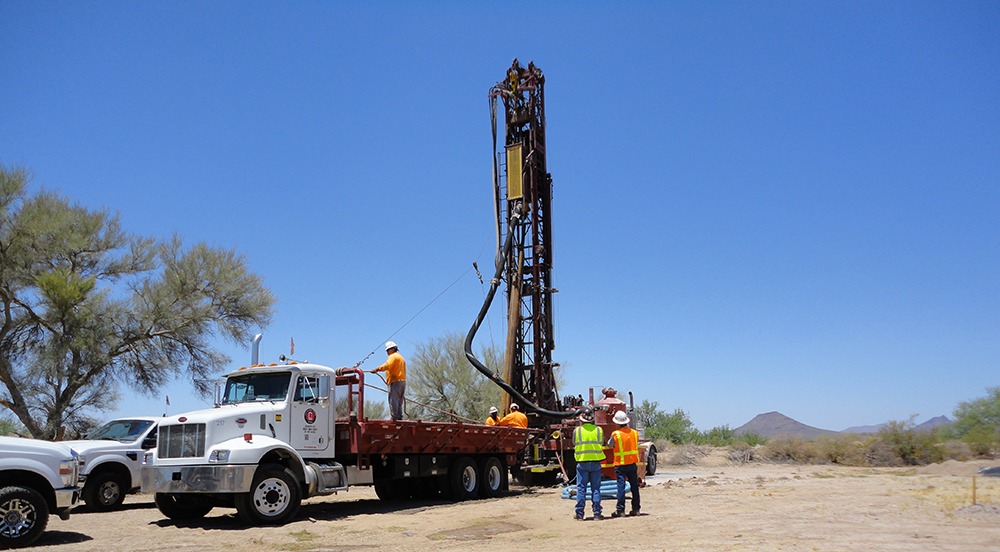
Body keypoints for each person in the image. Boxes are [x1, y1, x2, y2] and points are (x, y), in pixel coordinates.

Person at [573, 406, 605, 521]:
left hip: (582, 462)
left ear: (582, 419)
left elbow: (574, 442)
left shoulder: (577, 431)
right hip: (596, 462)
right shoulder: (599, 430)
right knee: (596, 489)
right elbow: (601, 442)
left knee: (581, 488)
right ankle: (597, 513)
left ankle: (580, 514)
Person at [608, 410, 641, 518]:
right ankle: (636, 509)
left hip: (620, 464)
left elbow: (610, 445)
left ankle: (620, 510)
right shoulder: (635, 433)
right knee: (634, 487)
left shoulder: (616, 434)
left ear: (617, 423)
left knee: (621, 487)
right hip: (632, 463)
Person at [371, 341, 406, 420]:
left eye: (388, 350)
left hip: (395, 381)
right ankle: (399, 416)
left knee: (393, 400)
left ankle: (395, 417)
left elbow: (387, 365)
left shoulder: (393, 357)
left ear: (392, 349)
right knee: (399, 400)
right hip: (402, 381)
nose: (387, 352)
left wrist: (377, 369)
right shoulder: (401, 357)